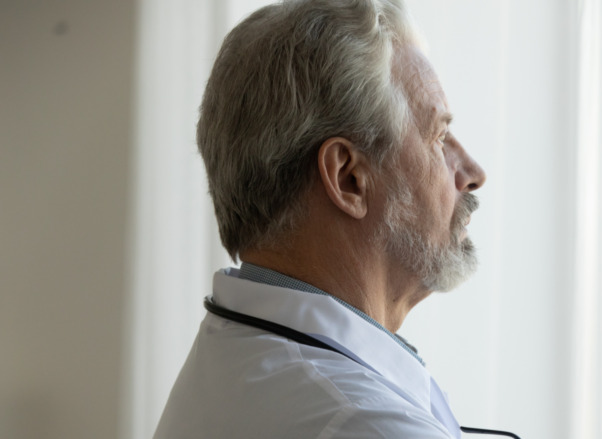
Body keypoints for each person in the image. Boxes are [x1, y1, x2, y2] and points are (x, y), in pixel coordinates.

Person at [154, 0, 488, 437]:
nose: (473, 173)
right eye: (439, 137)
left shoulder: (233, 361)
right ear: (349, 179)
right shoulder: (368, 425)